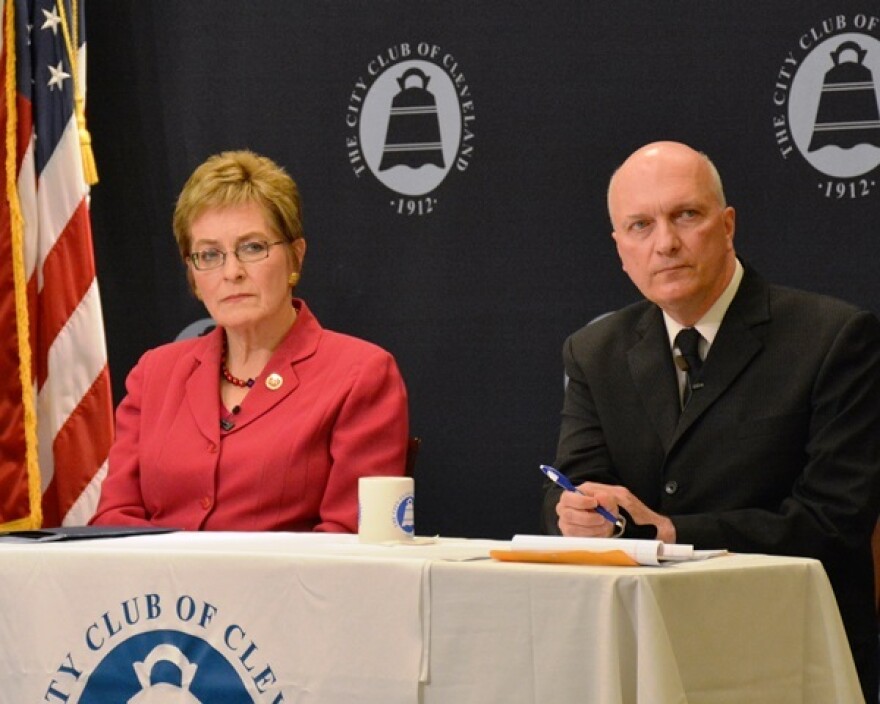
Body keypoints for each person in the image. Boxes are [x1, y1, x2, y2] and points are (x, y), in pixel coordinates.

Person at [541, 141, 880, 700]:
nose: (665, 244)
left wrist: (673, 533)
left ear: (728, 225)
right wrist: (581, 517)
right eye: (641, 226)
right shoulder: (593, 351)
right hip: (636, 650)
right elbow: (576, 489)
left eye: (686, 216)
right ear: (620, 249)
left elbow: (834, 521)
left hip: (784, 653)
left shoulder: (833, 338)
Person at [91, 150, 409, 532]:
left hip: (289, 591)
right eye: (209, 254)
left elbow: (349, 540)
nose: (232, 272)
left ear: (295, 257)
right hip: (160, 591)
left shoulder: (361, 374)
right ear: (192, 274)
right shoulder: (154, 374)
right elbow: (114, 520)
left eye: (253, 247)